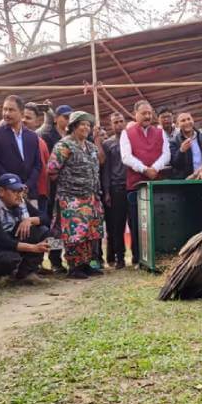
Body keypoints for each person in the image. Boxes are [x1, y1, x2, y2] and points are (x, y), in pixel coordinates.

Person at [48, 111, 105, 279]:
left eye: (88, 125)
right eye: (82, 124)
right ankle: (74, 266)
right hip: (71, 198)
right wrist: (68, 184)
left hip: (91, 196)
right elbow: (51, 170)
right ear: (73, 127)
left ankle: (85, 263)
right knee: (74, 233)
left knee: (89, 232)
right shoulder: (64, 145)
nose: (86, 127)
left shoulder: (91, 147)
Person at [0, 173, 50, 285]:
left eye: (20, 190)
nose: (18, 194)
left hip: (9, 241)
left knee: (41, 230)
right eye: (14, 191)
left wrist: (30, 220)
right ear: (2, 191)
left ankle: (26, 274)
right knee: (11, 259)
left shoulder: (21, 202)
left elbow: (46, 218)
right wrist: (34, 248)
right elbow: (2, 241)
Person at [120, 100, 170, 266]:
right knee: (137, 222)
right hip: (135, 185)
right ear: (135, 114)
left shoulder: (160, 132)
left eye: (149, 113)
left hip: (157, 183)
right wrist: (144, 169)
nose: (148, 116)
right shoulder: (126, 133)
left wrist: (155, 168)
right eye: (144, 113)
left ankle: (158, 254)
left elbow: (166, 154)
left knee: (158, 219)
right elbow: (126, 157)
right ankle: (138, 258)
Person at [0, 95, 42, 202]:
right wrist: (13, 184)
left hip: (29, 193)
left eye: (11, 110)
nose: (6, 113)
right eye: (5, 109)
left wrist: (27, 186)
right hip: (6, 193)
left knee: (32, 218)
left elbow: (37, 165)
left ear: (21, 113)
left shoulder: (32, 136)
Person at [40, 104, 72, 275]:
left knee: (69, 225)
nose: (67, 120)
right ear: (56, 118)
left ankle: (71, 258)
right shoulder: (47, 136)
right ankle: (55, 259)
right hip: (52, 187)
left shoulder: (71, 136)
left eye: (70, 117)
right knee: (55, 226)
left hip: (69, 188)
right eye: (65, 117)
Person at [102, 112, 129, 269]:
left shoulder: (131, 139)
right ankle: (120, 258)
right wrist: (106, 191)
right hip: (116, 187)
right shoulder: (108, 144)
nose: (119, 124)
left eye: (121, 121)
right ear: (111, 125)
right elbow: (105, 170)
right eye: (115, 122)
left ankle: (137, 256)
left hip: (132, 186)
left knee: (134, 223)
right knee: (117, 225)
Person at [22, 103, 51, 216]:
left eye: (28, 118)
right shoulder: (13, 140)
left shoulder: (41, 142)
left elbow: (46, 168)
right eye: (22, 116)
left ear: (37, 122)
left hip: (40, 192)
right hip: (22, 192)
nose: (24, 120)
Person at [169, 111, 202, 180]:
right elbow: (174, 164)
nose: (187, 122)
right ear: (177, 125)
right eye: (183, 121)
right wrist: (181, 151)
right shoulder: (173, 141)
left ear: (193, 120)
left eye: (189, 119)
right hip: (186, 181)